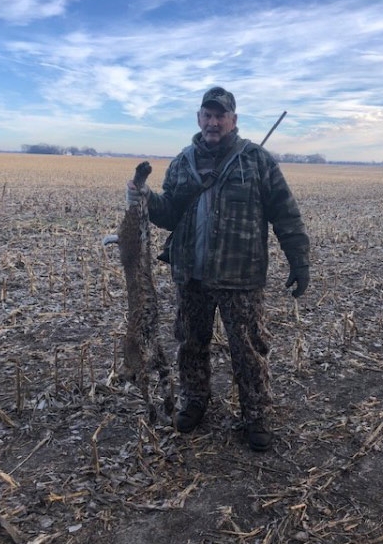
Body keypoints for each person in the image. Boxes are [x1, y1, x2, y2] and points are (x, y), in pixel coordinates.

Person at [127, 86, 310, 451]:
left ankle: (255, 416)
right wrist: (145, 199)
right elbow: (172, 214)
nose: (213, 122)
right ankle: (195, 402)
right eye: (207, 115)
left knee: (249, 349)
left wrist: (299, 258)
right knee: (191, 344)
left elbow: (285, 212)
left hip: (240, 276)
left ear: (233, 120)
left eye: (220, 115)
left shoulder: (256, 160)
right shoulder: (183, 162)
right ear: (198, 119)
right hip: (190, 273)